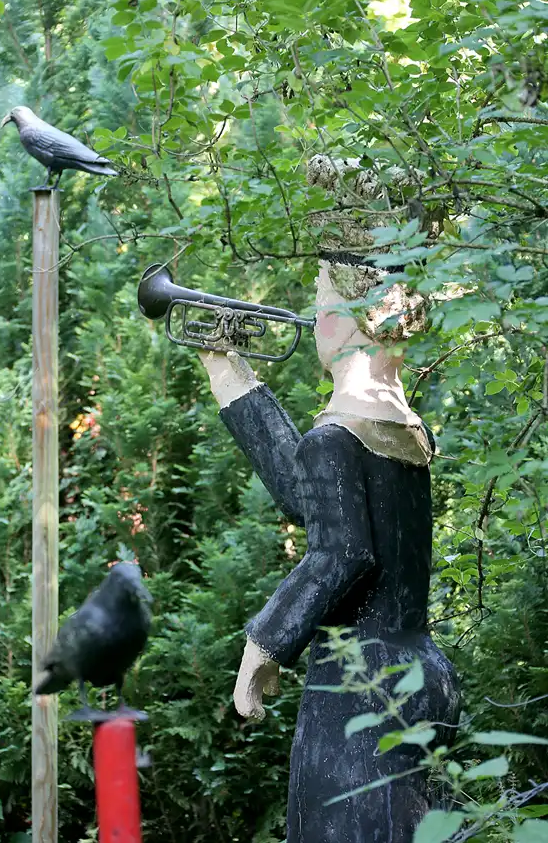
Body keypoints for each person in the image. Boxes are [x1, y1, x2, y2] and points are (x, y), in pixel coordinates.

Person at [198, 258, 460, 843]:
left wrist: (264, 644)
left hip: (359, 685)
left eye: (320, 302)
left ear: (348, 320)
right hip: (421, 671)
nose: (314, 317)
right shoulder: (406, 431)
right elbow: (310, 497)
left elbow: (341, 553)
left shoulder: (335, 438)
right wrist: (228, 371)